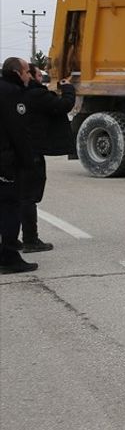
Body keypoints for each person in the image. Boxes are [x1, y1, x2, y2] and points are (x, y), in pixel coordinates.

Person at [18, 62, 75, 251]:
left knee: (17, 196)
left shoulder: (15, 93)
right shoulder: (36, 94)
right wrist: (67, 88)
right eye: (37, 74)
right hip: (32, 150)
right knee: (29, 196)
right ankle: (30, 240)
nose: (41, 78)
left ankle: (12, 238)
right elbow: (64, 105)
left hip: (17, 149)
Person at [0, 57, 37, 273]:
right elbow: (18, 132)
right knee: (10, 207)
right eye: (26, 72)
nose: (29, 76)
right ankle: (9, 256)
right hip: (6, 161)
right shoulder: (11, 94)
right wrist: (28, 162)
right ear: (16, 73)